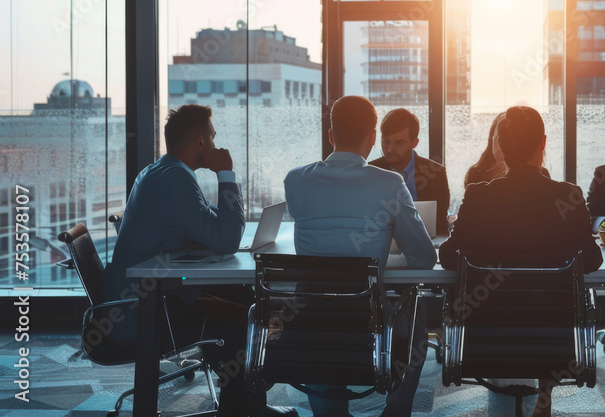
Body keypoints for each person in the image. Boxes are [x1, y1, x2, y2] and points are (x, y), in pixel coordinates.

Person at [105, 104, 296, 417]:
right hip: (145, 316)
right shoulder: (174, 180)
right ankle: (240, 409)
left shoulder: (163, 171)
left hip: (150, 300)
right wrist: (226, 173)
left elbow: (213, 227)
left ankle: (249, 404)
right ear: (200, 141)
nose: (217, 144)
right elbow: (227, 239)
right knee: (242, 320)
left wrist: (219, 226)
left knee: (246, 300)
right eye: (213, 136)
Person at [439, 106, 602, 417]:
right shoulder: (568, 195)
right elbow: (592, 260)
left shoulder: (478, 196)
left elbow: (448, 257)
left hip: (487, 341)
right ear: (542, 143)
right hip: (554, 343)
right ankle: (544, 397)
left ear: (499, 144)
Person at [284, 96, 436, 417]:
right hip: (368, 322)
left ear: (330, 135)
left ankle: (330, 413)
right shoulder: (390, 184)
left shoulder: (295, 181)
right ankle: (395, 412)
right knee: (417, 316)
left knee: (324, 325)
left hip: (308, 322)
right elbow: (423, 259)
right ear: (372, 137)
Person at [370, 108, 451, 236]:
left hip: (427, 242)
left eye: (399, 143)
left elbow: (440, 224)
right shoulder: (370, 171)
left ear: (414, 143)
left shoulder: (436, 174)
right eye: (386, 141)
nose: (390, 149)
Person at [464, 112, 550, 188]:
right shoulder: (477, 173)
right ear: (493, 140)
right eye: (503, 138)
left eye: (514, 139)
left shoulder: (542, 173)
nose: (507, 144)